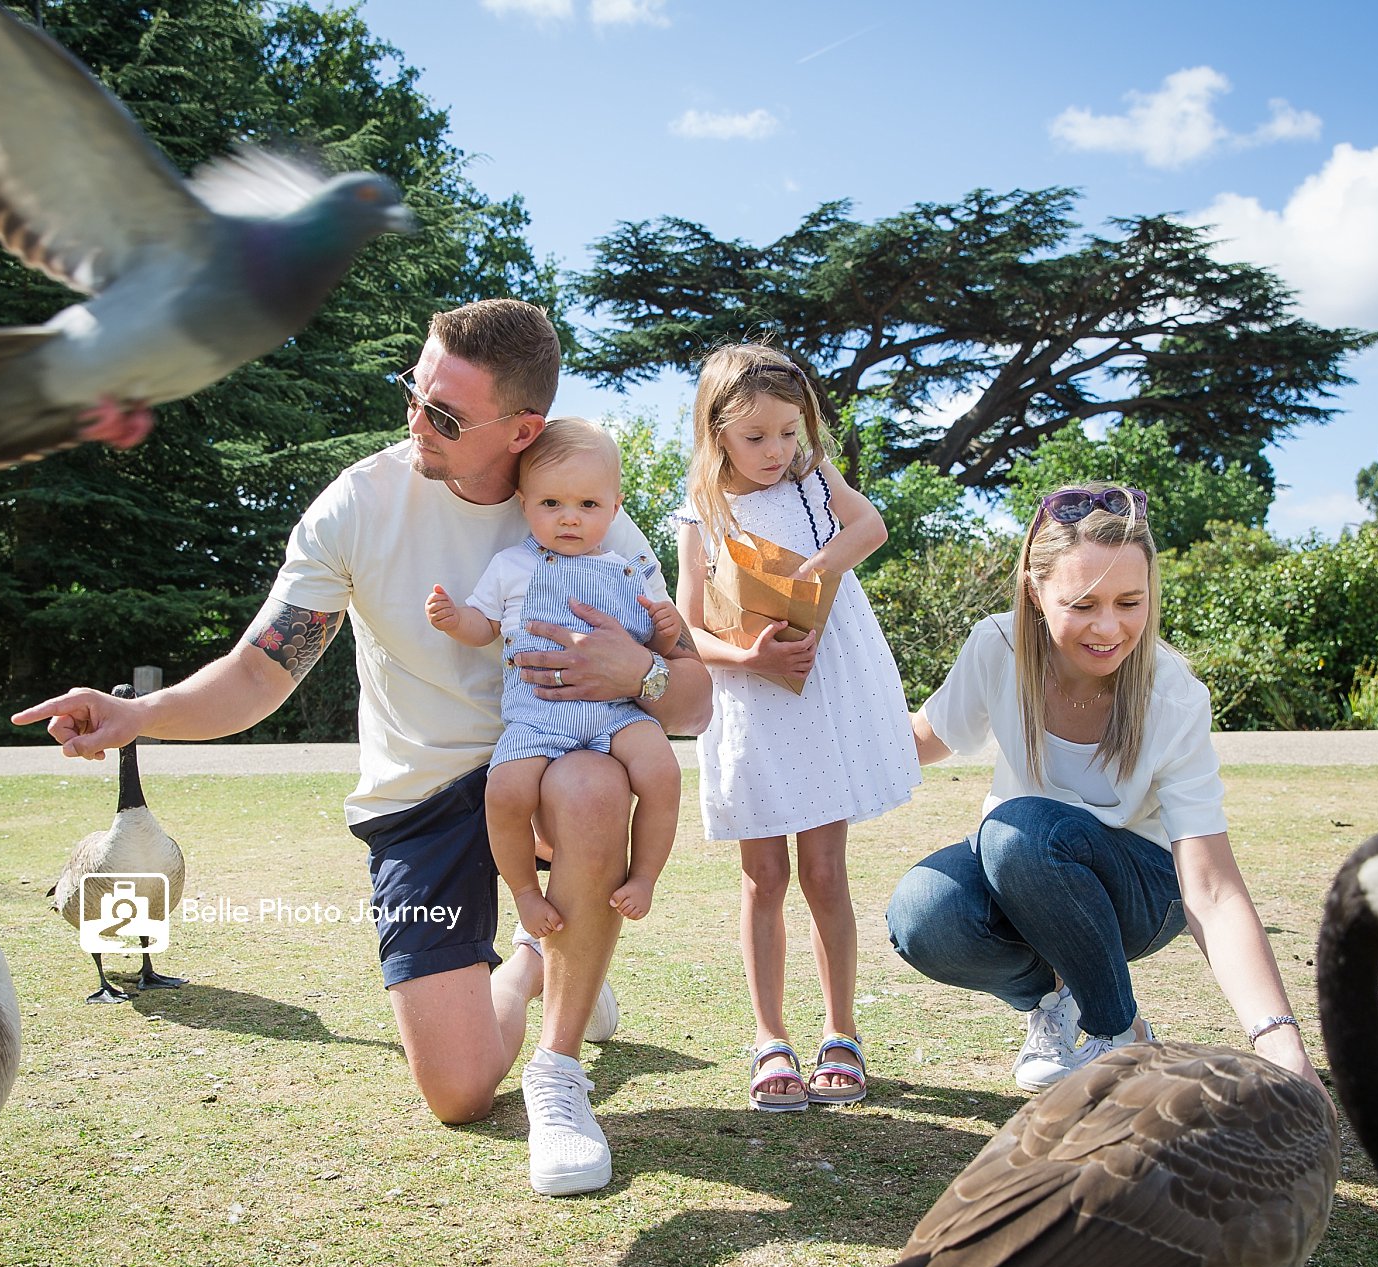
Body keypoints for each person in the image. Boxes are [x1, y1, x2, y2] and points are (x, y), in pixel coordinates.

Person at [12, 300, 711, 1196]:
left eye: (445, 415)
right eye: (413, 393)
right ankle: (543, 960)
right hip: (417, 802)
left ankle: (560, 1073)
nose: (414, 420)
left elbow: (691, 697)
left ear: (521, 429)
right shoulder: (359, 502)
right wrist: (138, 714)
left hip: (541, 773)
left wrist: (637, 674)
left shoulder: (586, 507)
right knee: (457, 1091)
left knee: (590, 785)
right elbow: (263, 670)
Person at [884, 482, 1323, 1096]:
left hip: (1140, 892)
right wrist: (814, 739)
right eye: (1083, 604)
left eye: (1129, 602)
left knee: (1021, 833)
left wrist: (1281, 1045)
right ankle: (1062, 1000)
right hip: (1025, 868)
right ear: (1037, 594)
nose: (1110, 628)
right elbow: (926, 737)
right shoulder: (997, 646)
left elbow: (1213, 889)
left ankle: (1115, 1037)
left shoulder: (1174, 697)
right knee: (924, 914)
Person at [670, 343, 920, 1112]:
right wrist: (745, 656)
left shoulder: (815, 479)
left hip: (821, 695)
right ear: (716, 434)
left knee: (823, 872)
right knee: (763, 878)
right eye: (756, 437)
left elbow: (870, 528)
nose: (776, 450)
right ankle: (769, 1037)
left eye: (789, 431)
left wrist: (808, 574)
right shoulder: (700, 514)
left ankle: (841, 1032)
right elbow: (683, 628)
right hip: (752, 704)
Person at [425, 417, 685, 934]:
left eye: (588, 505)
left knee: (664, 774)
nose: (570, 519)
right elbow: (486, 627)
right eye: (551, 504)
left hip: (616, 711)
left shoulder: (628, 570)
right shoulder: (511, 566)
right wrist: (457, 621)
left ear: (615, 507)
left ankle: (645, 877)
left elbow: (653, 648)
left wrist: (665, 629)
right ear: (524, 503)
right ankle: (525, 892)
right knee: (503, 792)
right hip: (538, 715)